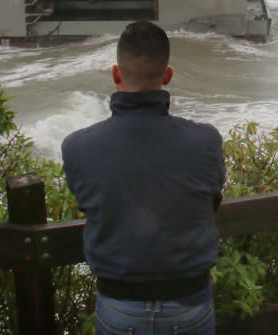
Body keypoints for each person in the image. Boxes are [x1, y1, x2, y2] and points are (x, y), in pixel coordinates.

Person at [62, 22, 225, 335]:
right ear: (167, 76)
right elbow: (212, 200)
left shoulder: (78, 147)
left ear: (116, 74)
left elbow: (90, 205)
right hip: (189, 301)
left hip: (119, 304)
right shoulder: (205, 141)